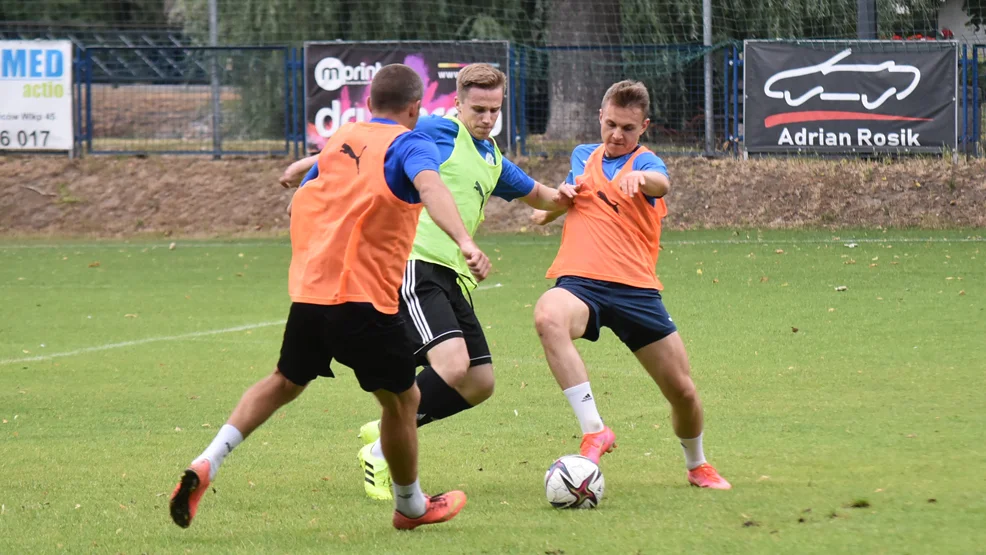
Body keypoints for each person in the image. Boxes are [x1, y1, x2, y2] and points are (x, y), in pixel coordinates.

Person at [169, 63, 492, 533]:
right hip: (365, 299)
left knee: (283, 382)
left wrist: (304, 175)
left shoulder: (343, 137)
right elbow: (431, 186)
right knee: (403, 402)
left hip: (312, 294)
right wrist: (464, 240)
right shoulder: (411, 143)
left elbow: (304, 197)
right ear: (414, 109)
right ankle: (411, 506)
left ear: (368, 104)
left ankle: (208, 459)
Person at [280, 63, 578, 501]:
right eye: (478, 109)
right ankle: (381, 451)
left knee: (479, 382)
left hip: (453, 276)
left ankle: (388, 427)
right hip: (415, 264)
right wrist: (309, 168)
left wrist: (570, 195)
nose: (487, 118)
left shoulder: (492, 158)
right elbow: (369, 145)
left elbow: (538, 194)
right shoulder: (439, 130)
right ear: (458, 103)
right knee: (452, 365)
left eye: (494, 110)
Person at [529, 80, 731, 490]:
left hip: (635, 291)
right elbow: (548, 210)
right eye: (611, 125)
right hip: (581, 284)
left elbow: (662, 184)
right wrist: (557, 199)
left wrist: (640, 178)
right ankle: (594, 431)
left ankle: (697, 465)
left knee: (683, 392)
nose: (617, 135)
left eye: (628, 128)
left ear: (644, 127)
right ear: (600, 117)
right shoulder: (583, 156)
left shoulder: (648, 162)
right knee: (548, 315)